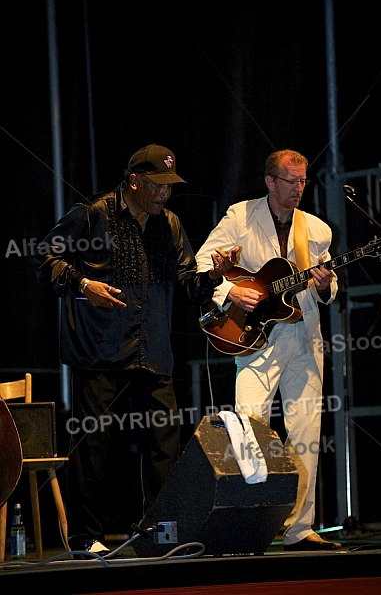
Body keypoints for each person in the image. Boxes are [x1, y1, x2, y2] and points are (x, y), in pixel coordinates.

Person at [33, 143, 235, 556]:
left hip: (152, 350)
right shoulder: (92, 214)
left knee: (165, 443)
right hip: (101, 350)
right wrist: (83, 285)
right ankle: (83, 537)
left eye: (169, 187)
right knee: (93, 446)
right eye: (157, 186)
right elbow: (44, 256)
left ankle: (161, 534)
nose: (164, 194)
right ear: (134, 181)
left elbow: (187, 285)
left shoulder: (172, 224)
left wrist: (214, 274)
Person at [195, 148, 342, 551]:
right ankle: (248, 523)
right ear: (270, 181)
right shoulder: (240, 216)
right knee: (248, 428)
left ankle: (299, 529)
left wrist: (326, 283)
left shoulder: (317, 229)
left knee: (306, 435)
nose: (298, 188)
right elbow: (202, 263)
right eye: (291, 181)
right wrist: (230, 289)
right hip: (255, 339)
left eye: (303, 181)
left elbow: (327, 288)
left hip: (303, 340)